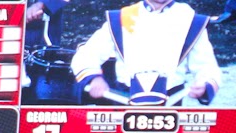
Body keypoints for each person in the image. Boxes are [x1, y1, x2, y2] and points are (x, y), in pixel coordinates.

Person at [72, 0, 221, 106]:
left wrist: (204, 84)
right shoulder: (122, 17)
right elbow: (86, 54)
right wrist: (95, 79)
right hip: (124, 99)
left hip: (172, 101)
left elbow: (206, 66)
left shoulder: (191, 19)